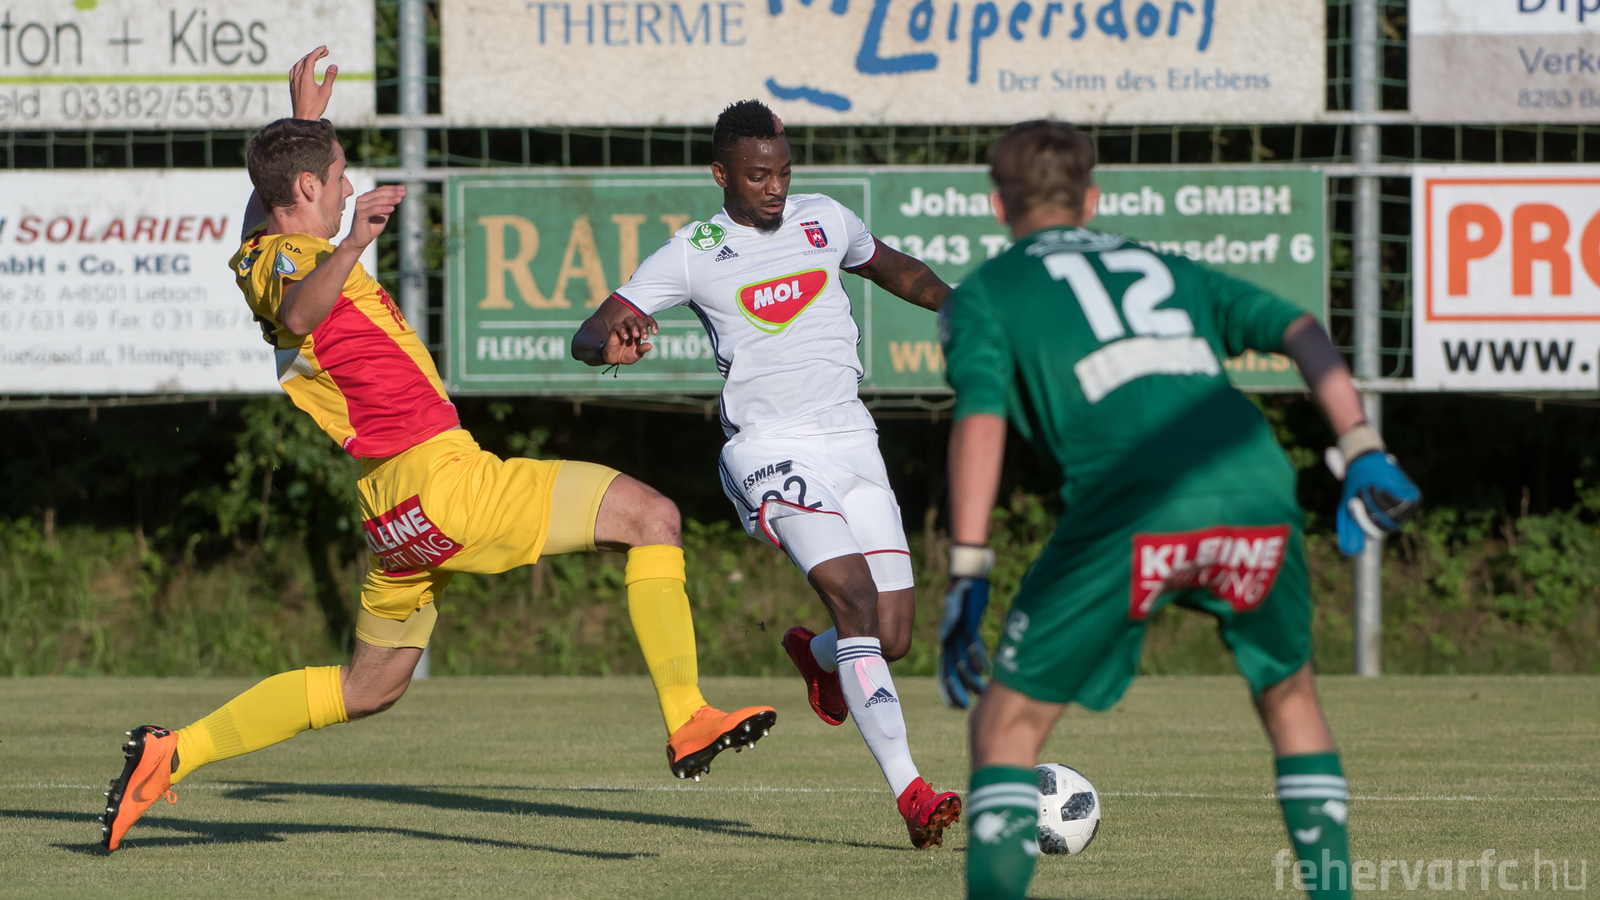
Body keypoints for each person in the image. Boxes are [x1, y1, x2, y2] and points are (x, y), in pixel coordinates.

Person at [97, 49, 777, 853]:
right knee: (651, 517)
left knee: (368, 687)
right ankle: (687, 715)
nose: (349, 186)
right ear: (309, 189)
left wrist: (306, 123)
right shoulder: (298, 263)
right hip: (445, 481)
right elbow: (304, 309)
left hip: (393, 508)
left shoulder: (259, 251)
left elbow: (273, 211)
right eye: (338, 174)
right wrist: (353, 241)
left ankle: (174, 753)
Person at [936, 120, 1420, 899]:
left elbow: (981, 420)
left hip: (1133, 502)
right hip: (1255, 484)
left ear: (998, 205)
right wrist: (1360, 444)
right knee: (1290, 696)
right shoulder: (1167, 266)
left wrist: (968, 562)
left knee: (1007, 728)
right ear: (1092, 199)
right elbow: (1299, 328)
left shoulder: (988, 293)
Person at [571, 100, 963, 848]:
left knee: (892, 635)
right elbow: (591, 331)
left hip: (852, 438)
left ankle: (816, 657)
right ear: (721, 175)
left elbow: (895, 267)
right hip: (769, 448)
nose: (776, 187)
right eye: (758, 176)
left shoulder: (825, 219)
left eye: (783, 171)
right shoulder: (694, 251)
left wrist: (956, 305)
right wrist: (605, 345)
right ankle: (912, 792)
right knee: (854, 597)